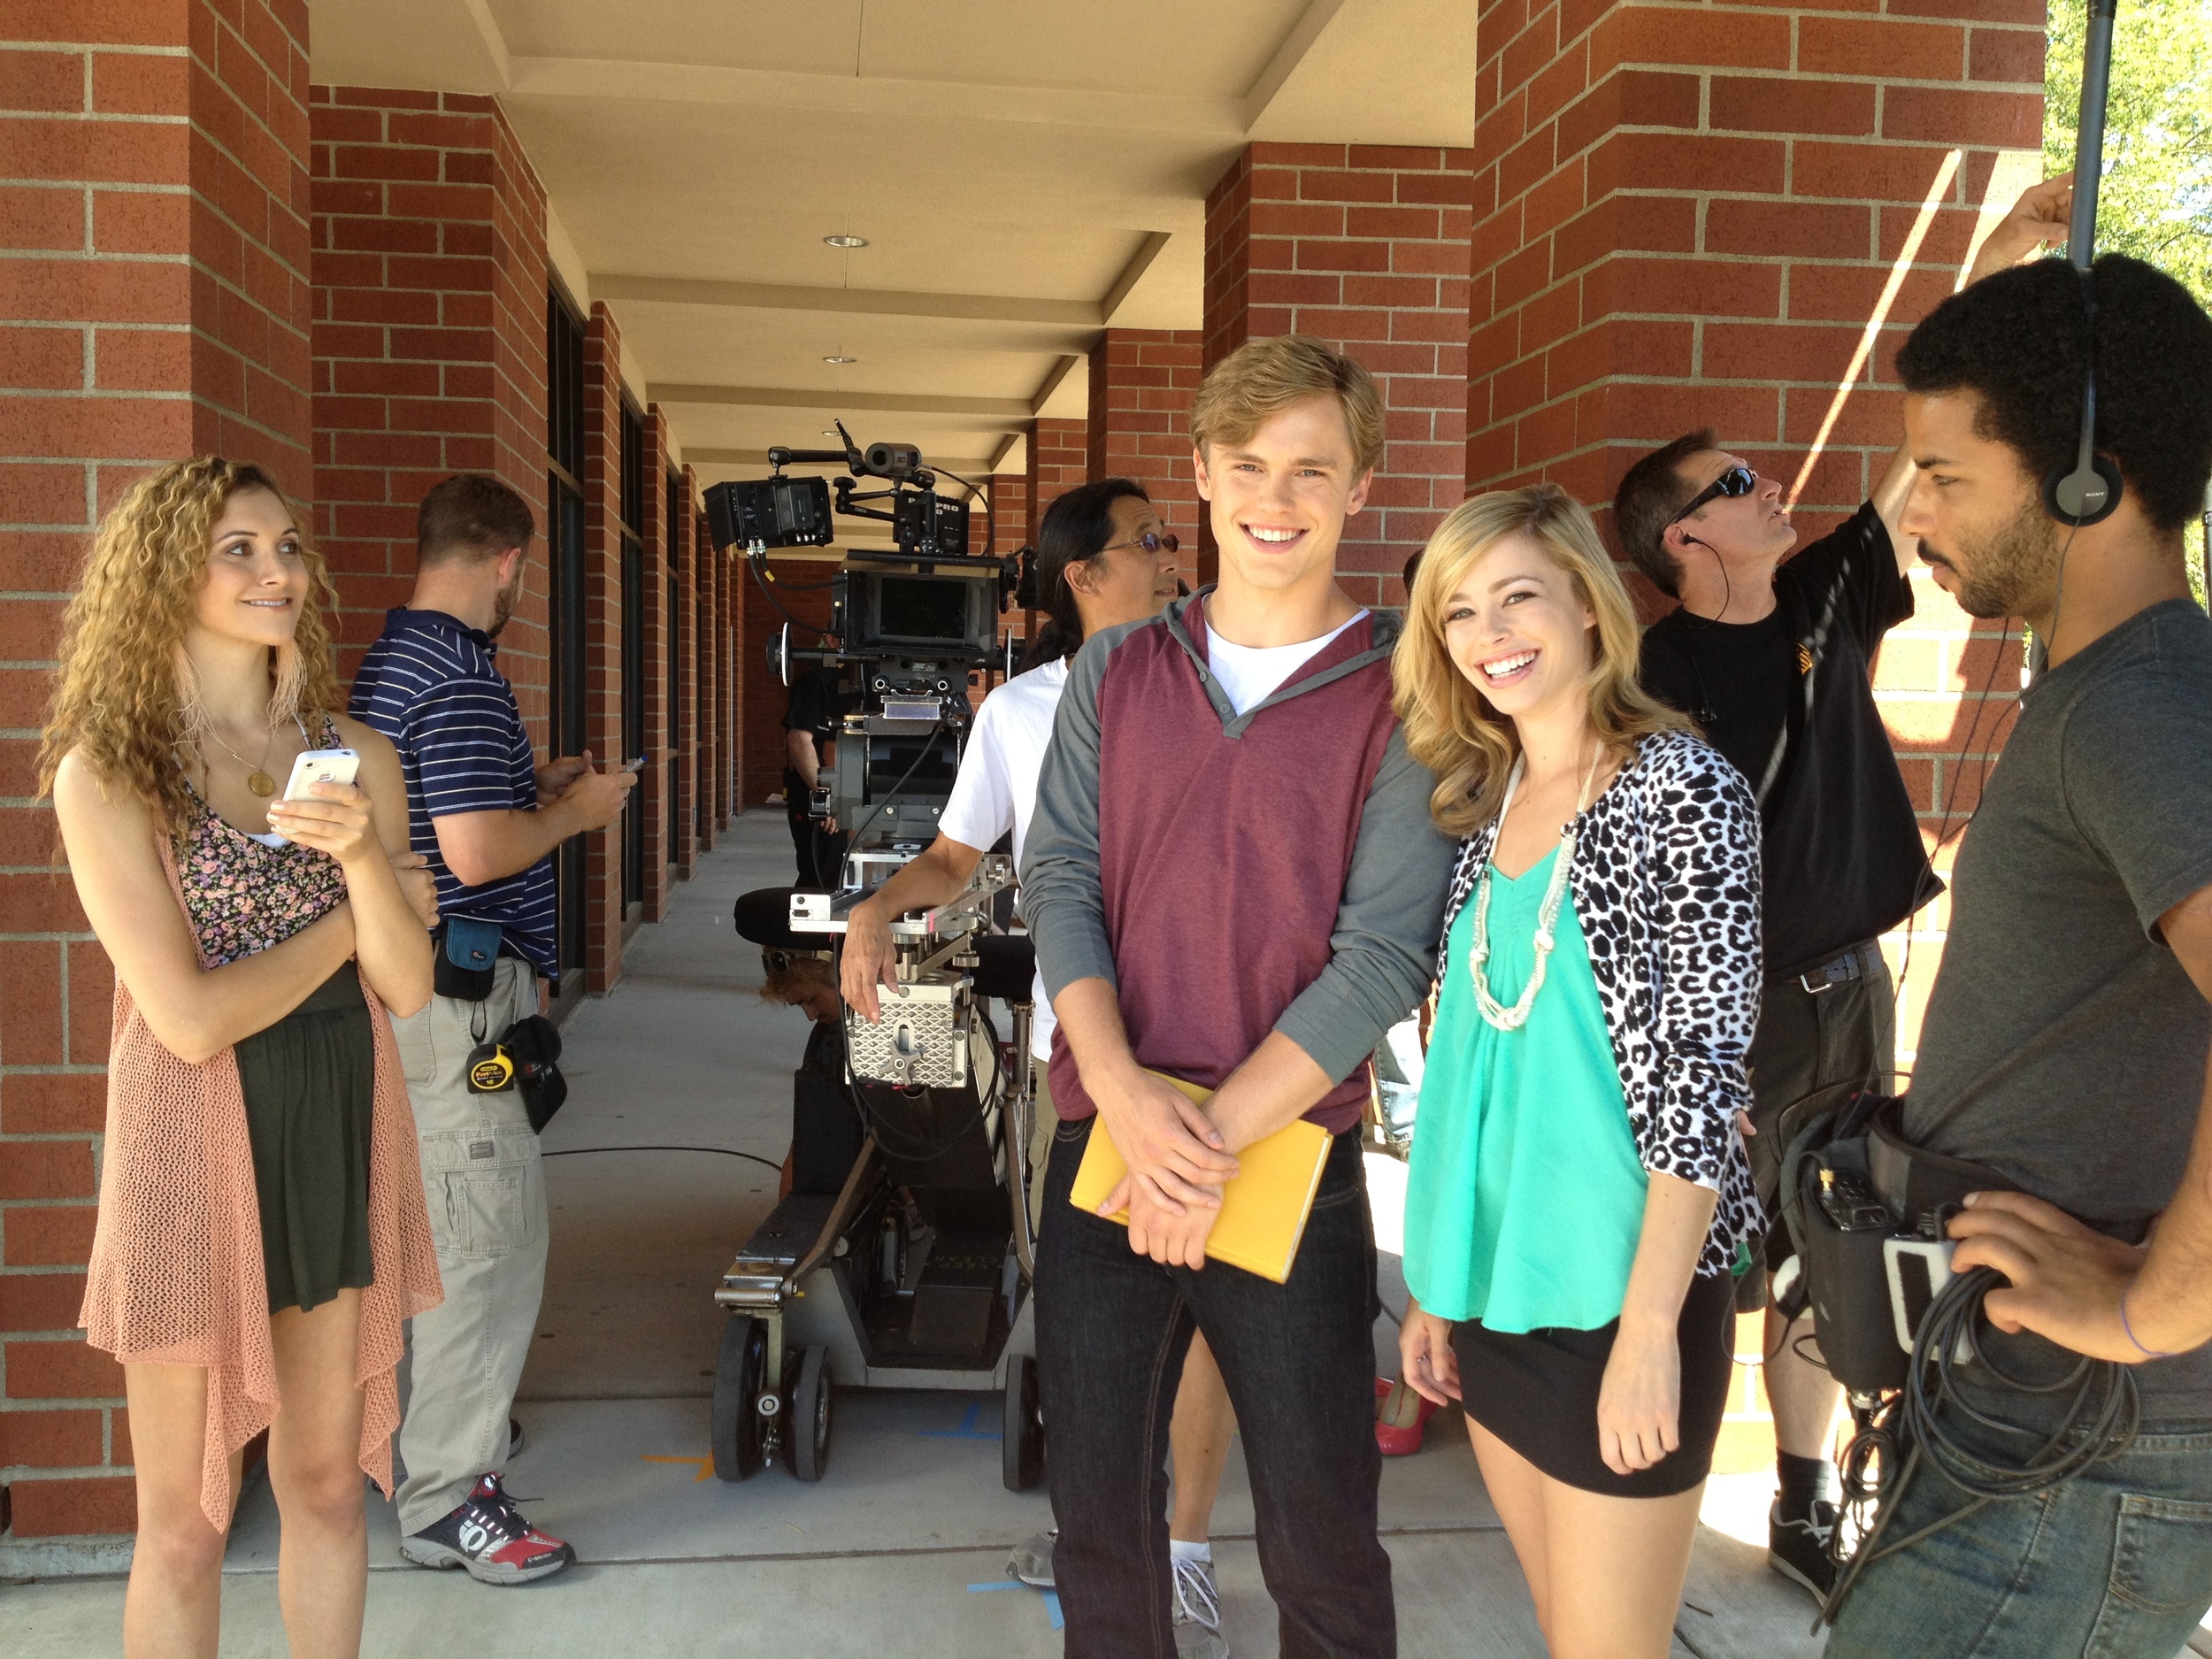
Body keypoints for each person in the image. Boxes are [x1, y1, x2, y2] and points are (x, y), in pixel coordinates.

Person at [1613, 173, 2078, 1598]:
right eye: (1736, 486)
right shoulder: (1655, 687)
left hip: (1846, 993)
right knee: (1701, 1256)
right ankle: (1642, 1492)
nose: (1770, 489)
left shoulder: (1822, 596)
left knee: (1838, 1248)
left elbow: (1910, 461)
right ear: (1685, 539)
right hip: (1721, 1017)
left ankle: (1804, 1500)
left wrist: (1999, 259)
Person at [1020, 335, 1456, 1657]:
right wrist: (1129, 1100)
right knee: (1097, 1513)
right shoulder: (1118, 671)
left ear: (1361, 483)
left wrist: (1196, 1139)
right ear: (1205, 475)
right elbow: (1059, 883)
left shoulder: (1402, 693)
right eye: (1251, 463)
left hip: (1289, 1151)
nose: (1279, 496)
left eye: (1313, 467)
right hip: (1108, 1146)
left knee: (1320, 1529)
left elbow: (1383, 951)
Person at [1816, 252, 2212, 1657]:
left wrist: (2157, 1299)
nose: (1914, 508)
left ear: (2088, 477)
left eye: (1946, 472)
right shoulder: (2109, 690)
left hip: (2084, 1448)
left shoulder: (2142, 711)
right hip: (2030, 1414)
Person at [42, 457, 444, 1659]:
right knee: (181, 1523)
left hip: (335, 1115)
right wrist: (348, 916)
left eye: (286, 548)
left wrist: (368, 858)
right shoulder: (108, 772)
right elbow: (190, 1017)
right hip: (189, 1130)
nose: (276, 570)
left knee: (324, 1483)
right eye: (239, 549)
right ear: (166, 574)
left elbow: (412, 986)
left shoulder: (357, 753)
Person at [841, 480, 1239, 1655]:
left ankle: (1190, 1546)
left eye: (1169, 538)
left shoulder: (1217, 681)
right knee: (1089, 1319)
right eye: (1148, 541)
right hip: (1079, 1064)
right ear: (1083, 575)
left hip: (1217, 1057)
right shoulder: (1021, 710)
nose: (1173, 557)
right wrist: (876, 909)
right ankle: (1103, 1543)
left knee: (1207, 1308)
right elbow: (961, 851)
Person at [1393, 484, 1764, 1659]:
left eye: (1518, 597)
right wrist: (1437, 1285)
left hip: (1627, 1294)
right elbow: (1470, 1072)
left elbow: (1703, 1082)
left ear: (1590, 609)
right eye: (1460, 612)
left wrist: (1653, 1328)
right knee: (1571, 1632)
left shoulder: (1679, 789)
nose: (1491, 634)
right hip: (1500, 1294)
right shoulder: (1483, 800)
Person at [350, 474, 637, 1584]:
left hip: (414, 997)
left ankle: (433, 1442)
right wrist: (574, 810)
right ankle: (448, 1501)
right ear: (510, 560)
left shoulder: (395, 662)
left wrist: (534, 784)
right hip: (461, 1004)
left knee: (435, 1237)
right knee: (486, 1246)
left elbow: (442, 813)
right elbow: (474, 855)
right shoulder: (463, 676)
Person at [783, 656, 848, 888]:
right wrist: (825, 799)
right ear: (831, 640)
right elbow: (799, 739)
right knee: (821, 883)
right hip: (822, 801)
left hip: (868, 798)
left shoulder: (879, 679)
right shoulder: (814, 681)